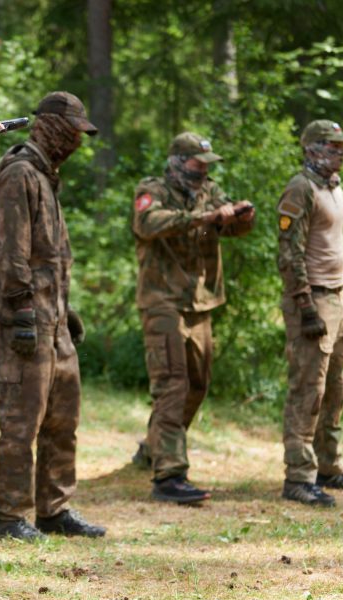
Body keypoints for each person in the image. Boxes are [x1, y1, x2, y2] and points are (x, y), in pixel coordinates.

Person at [0, 91, 106, 541]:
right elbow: (12, 249)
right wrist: (24, 310)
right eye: (72, 133)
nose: (77, 143)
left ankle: (54, 509)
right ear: (51, 128)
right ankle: (8, 516)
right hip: (24, 319)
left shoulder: (46, 176)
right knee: (21, 420)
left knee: (61, 417)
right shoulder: (20, 175)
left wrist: (63, 312)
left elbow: (51, 257)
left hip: (54, 318)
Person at [131, 132, 255, 504]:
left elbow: (229, 225)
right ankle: (169, 475)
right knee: (171, 384)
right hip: (162, 300)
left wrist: (239, 217)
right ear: (177, 162)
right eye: (196, 164)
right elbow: (148, 224)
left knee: (198, 384)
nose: (203, 171)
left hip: (200, 302)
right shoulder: (152, 189)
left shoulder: (209, 191)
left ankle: (154, 447)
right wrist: (206, 217)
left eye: (207, 165)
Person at [277, 120, 343, 506]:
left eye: (342, 145)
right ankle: (298, 477)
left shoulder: (333, 187)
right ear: (313, 149)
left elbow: (334, 248)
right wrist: (304, 305)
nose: (341, 152)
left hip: (335, 295)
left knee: (335, 388)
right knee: (308, 388)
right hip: (312, 299)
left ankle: (328, 468)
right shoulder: (300, 188)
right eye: (333, 146)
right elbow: (289, 252)